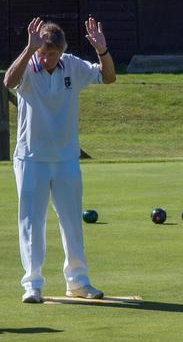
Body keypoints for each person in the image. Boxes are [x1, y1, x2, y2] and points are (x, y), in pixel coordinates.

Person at [6, 16, 115, 304]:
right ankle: (32, 285)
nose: (45, 58)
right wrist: (29, 49)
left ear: (61, 51)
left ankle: (78, 283)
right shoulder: (29, 65)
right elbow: (9, 81)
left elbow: (108, 77)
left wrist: (102, 50)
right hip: (31, 158)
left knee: (71, 221)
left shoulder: (73, 65)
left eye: (50, 53)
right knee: (31, 222)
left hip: (66, 158)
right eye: (42, 52)